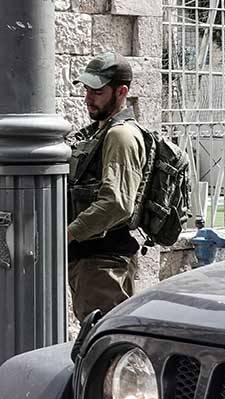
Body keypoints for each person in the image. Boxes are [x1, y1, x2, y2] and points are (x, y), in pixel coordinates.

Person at [66, 52, 148, 321]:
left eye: (97, 91)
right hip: (93, 263)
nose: (88, 98)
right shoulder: (101, 131)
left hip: (104, 265)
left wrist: (67, 234)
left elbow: (117, 203)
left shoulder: (120, 134)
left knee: (105, 348)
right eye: (87, 90)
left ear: (121, 91)